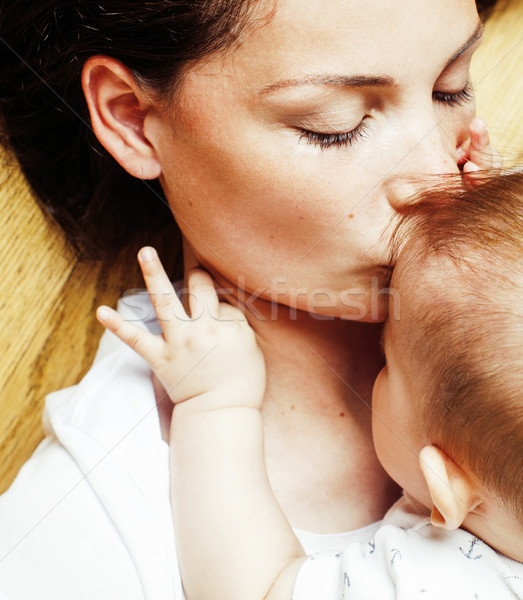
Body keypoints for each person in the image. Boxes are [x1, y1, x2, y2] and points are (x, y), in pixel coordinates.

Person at [0, 0, 503, 598]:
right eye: (334, 124)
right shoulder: (75, 534)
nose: (437, 177)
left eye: (452, 89)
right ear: (132, 118)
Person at [98, 170, 523, 599]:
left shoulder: (434, 583)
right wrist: (481, 244)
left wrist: (213, 401)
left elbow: (256, 590)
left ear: (444, 485)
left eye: (387, 360)